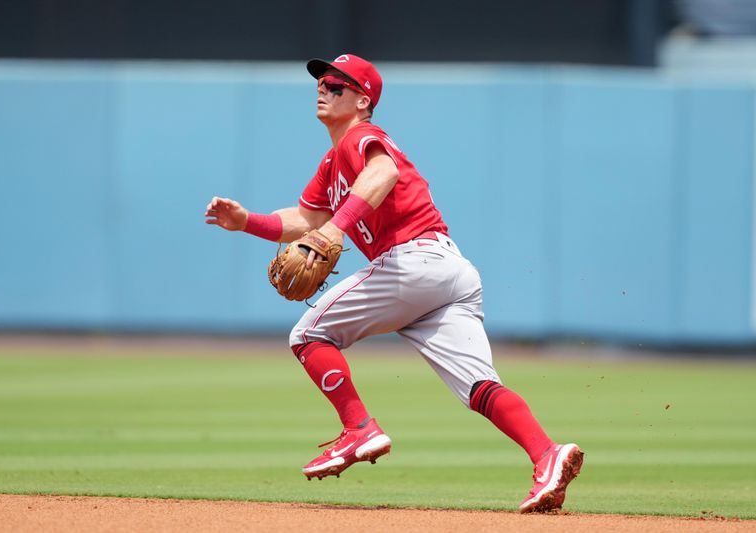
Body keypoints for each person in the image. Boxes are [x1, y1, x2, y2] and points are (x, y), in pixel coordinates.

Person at [205, 53, 583, 513]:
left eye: (336, 85)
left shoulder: (361, 137)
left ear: (363, 100)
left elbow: (382, 174)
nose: (324, 88)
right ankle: (547, 454)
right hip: (450, 273)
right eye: (321, 83)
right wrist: (248, 221)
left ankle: (358, 428)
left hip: (413, 262)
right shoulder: (333, 163)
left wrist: (336, 229)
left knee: (308, 334)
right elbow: (304, 218)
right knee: (480, 387)